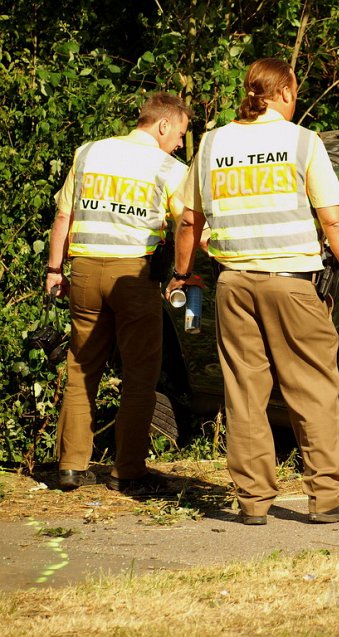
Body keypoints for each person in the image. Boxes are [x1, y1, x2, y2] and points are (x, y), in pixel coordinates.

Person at [166, 58, 339, 525]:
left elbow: (190, 220)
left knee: (243, 392)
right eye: (294, 91)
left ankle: (253, 501)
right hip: (292, 283)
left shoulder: (213, 143)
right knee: (313, 388)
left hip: (234, 283)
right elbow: (333, 218)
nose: (295, 99)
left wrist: (183, 274)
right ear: (281, 92)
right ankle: (326, 498)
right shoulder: (302, 141)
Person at [46, 92, 192, 495]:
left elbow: (65, 214)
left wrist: (54, 269)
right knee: (140, 374)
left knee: (81, 367)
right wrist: (186, 272)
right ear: (162, 125)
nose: (179, 142)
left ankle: (71, 467)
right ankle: (127, 469)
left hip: (85, 271)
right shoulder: (169, 169)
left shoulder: (89, 153)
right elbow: (188, 226)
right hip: (134, 276)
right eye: (179, 133)